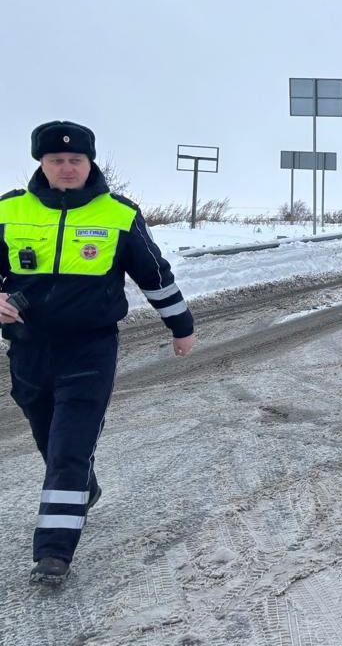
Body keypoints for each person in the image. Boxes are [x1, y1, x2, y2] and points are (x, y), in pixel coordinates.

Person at [0, 121, 197, 585]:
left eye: (76, 160)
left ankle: (53, 555)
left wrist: (181, 326)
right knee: (50, 438)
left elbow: (155, 275)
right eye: (56, 160)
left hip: (90, 349)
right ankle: (81, 488)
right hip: (28, 350)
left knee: (69, 447)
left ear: (90, 163)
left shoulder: (118, 214)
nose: (66, 168)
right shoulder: (9, 210)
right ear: (41, 164)